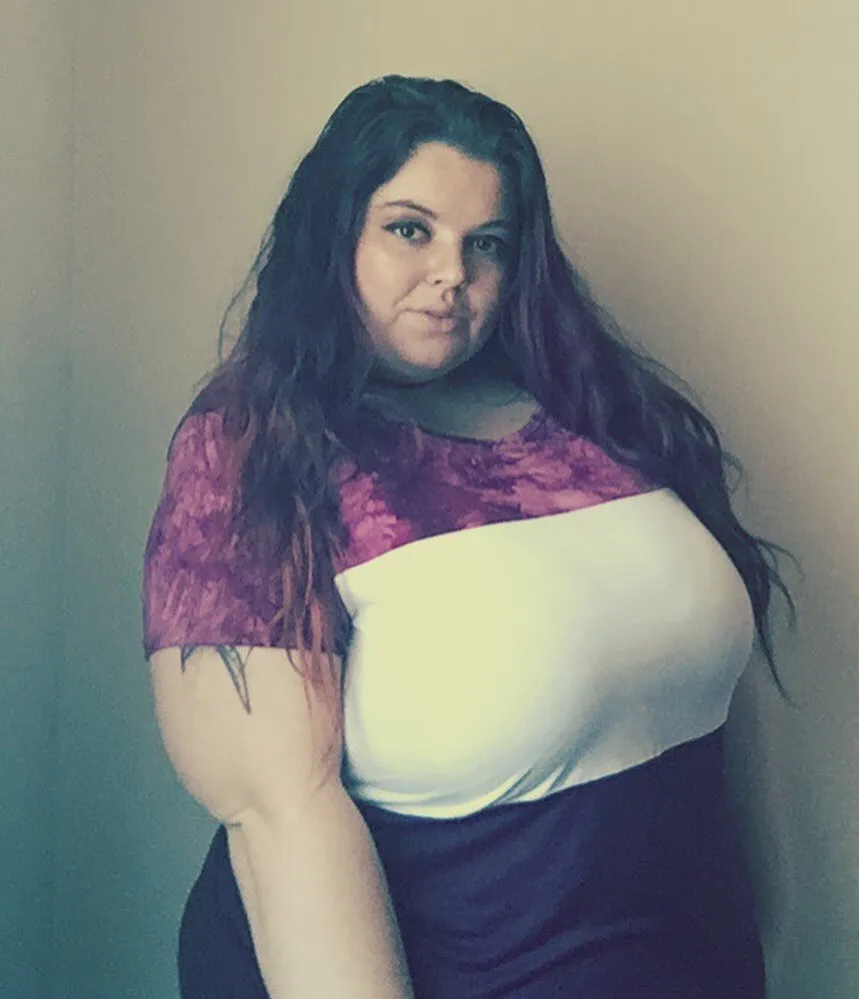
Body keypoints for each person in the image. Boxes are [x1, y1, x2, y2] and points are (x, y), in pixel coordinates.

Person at [142, 74, 795, 999]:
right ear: (334, 233)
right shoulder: (255, 446)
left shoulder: (593, 412)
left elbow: (715, 691)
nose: (453, 273)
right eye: (410, 229)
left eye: (486, 242)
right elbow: (280, 815)